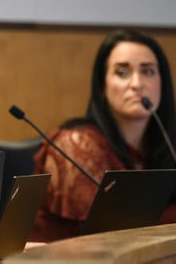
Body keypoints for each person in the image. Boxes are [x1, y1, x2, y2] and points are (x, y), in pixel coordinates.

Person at [29, 29, 176, 242]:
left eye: (148, 71)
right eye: (122, 72)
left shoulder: (167, 146)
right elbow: (112, 233)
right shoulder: (75, 145)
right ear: (102, 87)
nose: (137, 84)